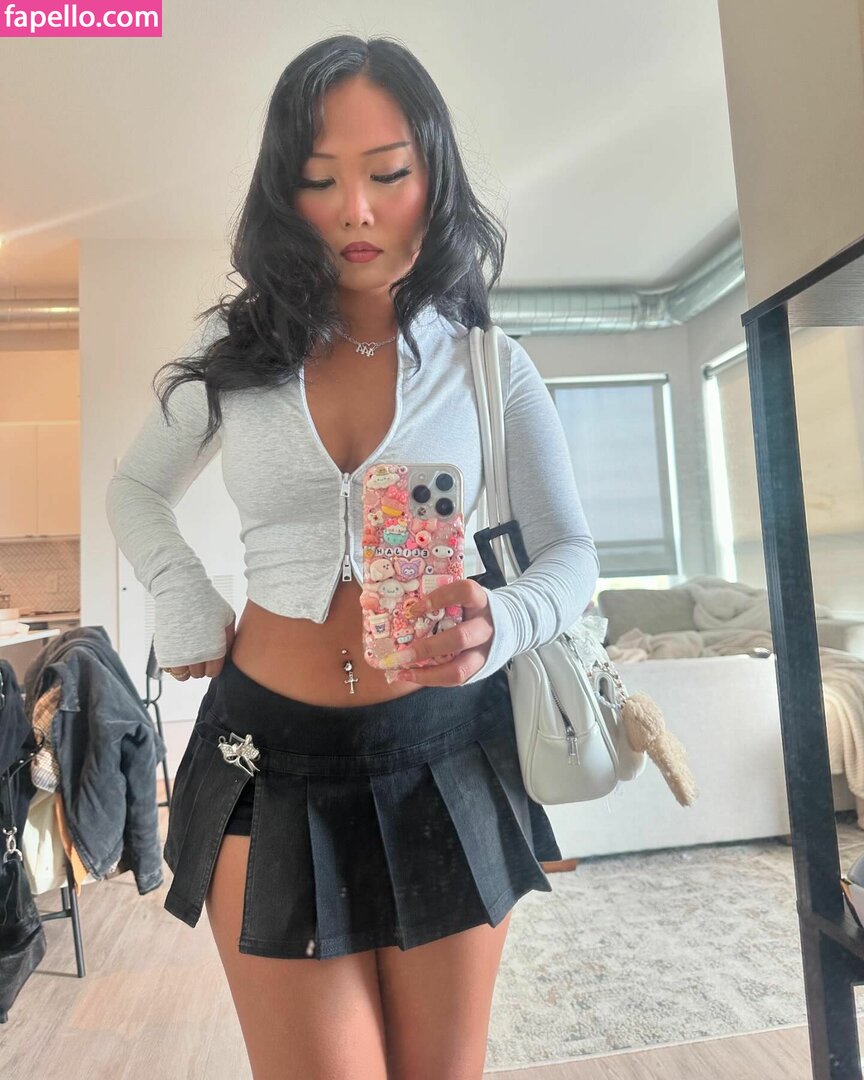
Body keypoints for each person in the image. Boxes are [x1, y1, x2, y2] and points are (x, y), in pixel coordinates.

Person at [105, 34, 599, 1080]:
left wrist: (503, 620)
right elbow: (136, 489)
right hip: (266, 761)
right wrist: (183, 595)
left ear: (434, 177)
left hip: (445, 754)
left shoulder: (488, 365)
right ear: (284, 195)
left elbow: (570, 552)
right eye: (320, 179)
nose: (357, 211)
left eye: (387, 173)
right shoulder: (235, 360)